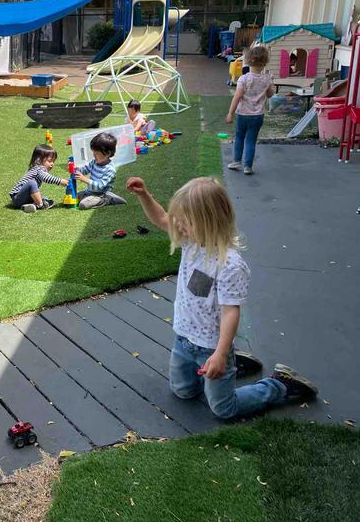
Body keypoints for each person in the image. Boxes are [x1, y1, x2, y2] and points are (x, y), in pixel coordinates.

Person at [125, 175, 318, 419]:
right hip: (184, 337)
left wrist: (219, 353)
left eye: (185, 222)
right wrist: (144, 194)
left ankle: (280, 385)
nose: (179, 226)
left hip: (213, 346)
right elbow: (162, 218)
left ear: (208, 222)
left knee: (224, 409)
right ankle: (234, 362)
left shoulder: (229, 264)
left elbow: (230, 312)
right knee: (182, 392)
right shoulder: (190, 241)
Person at [226, 45, 275, 175]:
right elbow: (270, 95)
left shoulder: (244, 79)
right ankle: (248, 166)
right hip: (258, 116)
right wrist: (271, 85)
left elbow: (237, 97)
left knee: (239, 137)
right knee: (251, 140)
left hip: (242, 114)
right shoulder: (267, 79)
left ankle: (237, 160)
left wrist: (230, 113)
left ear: (248, 61)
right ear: (265, 63)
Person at [75, 132, 127, 209]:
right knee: (74, 196)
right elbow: (85, 170)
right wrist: (77, 170)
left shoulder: (110, 170)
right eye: (93, 152)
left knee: (83, 205)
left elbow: (99, 186)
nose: (94, 155)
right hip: (89, 192)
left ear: (108, 153)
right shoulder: (94, 162)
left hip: (101, 194)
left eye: (96, 153)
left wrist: (85, 179)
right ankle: (88, 197)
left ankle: (108, 199)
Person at [9, 144, 68, 213]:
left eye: (53, 161)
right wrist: (62, 181)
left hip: (23, 199)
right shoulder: (39, 168)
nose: (52, 164)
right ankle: (40, 205)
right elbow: (47, 178)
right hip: (17, 197)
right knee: (32, 183)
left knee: (43, 197)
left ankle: (31, 206)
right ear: (39, 160)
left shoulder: (36, 168)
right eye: (49, 161)